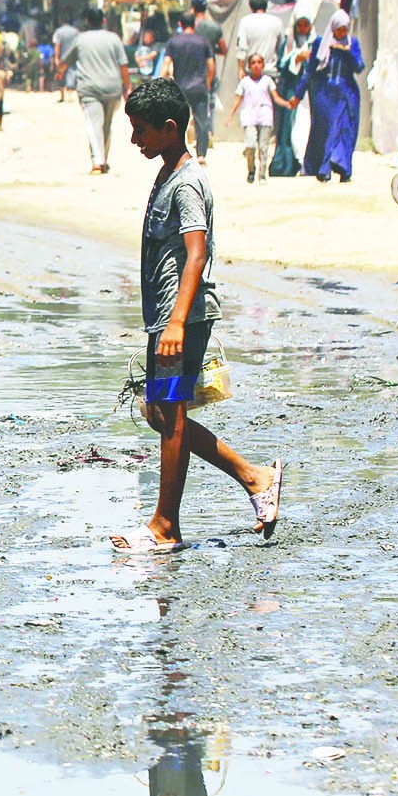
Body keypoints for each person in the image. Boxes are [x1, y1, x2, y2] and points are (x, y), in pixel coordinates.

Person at [113, 78, 284, 555]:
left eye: (141, 130)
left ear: (170, 129)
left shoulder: (187, 182)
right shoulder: (168, 170)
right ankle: (254, 476)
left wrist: (174, 323)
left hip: (180, 320)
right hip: (169, 318)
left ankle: (166, 524)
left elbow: (196, 254)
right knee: (162, 412)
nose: (135, 140)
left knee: (169, 416)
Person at [301, 8, 364, 182]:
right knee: (327, 131)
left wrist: (346, 51)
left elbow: (359, 67)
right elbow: (311, 69)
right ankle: (324, 168)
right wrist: (299, 93)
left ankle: (343, 168)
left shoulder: (352, 43)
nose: (342, 33)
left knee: (344, 131)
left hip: (346, 93)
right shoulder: (322, 43)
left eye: (345, 29)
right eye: (339, 29)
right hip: (326, 94)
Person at [68, 13, 133, 174]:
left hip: (89, 89)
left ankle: (98, 161)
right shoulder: (114, 39)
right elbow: (123, 65)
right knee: (106, 125)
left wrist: (59, 70)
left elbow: (66, 61)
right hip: (112, 88)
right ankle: (102, 159)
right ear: (103, 21)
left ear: (88, 21)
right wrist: (128, 87)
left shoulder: (80, 39)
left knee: (94, 124)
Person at [157, 14, 217, 161]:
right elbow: (211, 66)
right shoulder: (203, 42)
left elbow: (166, 64)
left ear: (180, 24)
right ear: (194, 25)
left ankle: (178, 152)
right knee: (201, 121)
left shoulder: (174, 42)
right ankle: (201, 155)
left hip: (180, 88)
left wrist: (161, 84)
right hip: (199, 87)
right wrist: (208, 83)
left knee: (176, 122)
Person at [268, 18, 311, 177]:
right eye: (300, 25)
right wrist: (296, 59)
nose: (303, 28)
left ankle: (305, 163)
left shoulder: (314, 42)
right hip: (291, 89)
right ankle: (286, 165)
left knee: (305, 124)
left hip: (309, 91)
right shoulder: (289, 43)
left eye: (306, 25)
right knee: (288, 126)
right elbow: (282, 64)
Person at [235, 53, 278, 184]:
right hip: (249, 116)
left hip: (265, 115)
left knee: (264, 147)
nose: (256, 65)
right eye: (253, 63)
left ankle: (262, 174)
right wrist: (231, 115)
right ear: (249, 66)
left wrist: (288, 104)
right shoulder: (245, 82)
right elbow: (238, 100)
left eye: (259, 62)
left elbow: (275, 97)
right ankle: (251, 169)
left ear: (263, 65)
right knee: (250, 145)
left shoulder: (267, 81)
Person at [232, 0, 285, 79]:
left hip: (251, 72)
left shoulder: (245, 21)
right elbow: (282, 47)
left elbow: (241, 47)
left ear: (251, 6)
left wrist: (240, 69)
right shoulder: (277, 21)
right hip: (271, 71)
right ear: (266, 5)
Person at [51, 15, 82, 99]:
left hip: (62, 57)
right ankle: (70, 95)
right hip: (73, 56)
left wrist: (56, 58)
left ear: (61, 21)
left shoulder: (58, 31)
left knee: (61, 75)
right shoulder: (76, 31)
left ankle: (62, 96)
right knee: (72, 73)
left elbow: (57, 45)